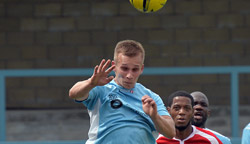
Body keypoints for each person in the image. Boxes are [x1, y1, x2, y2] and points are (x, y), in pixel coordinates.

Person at [69, 40, 175, 144]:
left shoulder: (151, 98)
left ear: (141, 69)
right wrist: (91, 83)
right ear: (114, 66)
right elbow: (73, 93)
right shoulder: (101, 88)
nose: (129, 75)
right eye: (125, 68)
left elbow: (171, 132)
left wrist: (154, 116)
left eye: (135, 69)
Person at [157, 90, 222, 144]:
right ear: (169, 111)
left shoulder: (210, 140)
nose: (182, 112)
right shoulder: (156, 140)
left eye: (187, 108)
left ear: (192, 111)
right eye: (177, 108)